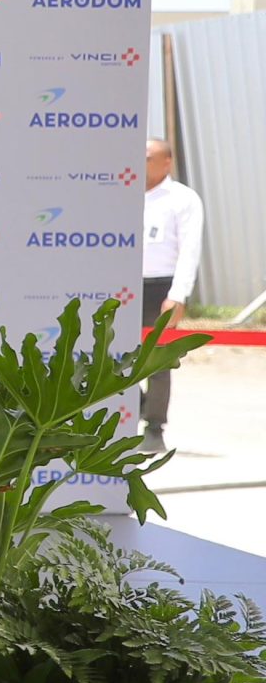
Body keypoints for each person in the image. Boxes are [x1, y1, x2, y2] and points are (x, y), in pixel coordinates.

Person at [141, 136, 204, 449]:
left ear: (166, 162)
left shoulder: (182, 199)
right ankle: (137, 407)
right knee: (112, 355)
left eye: (148, 157)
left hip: (161, 288)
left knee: (157, 361)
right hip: (125, 287)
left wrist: (178, 295)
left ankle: (154, 429)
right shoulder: (122, 192)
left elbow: (189, 250)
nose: (141, 163)